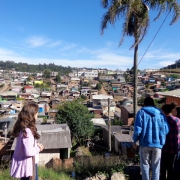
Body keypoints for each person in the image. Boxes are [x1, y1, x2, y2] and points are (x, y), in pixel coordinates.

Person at [133, 97, 169, 180]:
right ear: (153, 104)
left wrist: (135, 141)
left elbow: (138, 129)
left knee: (145, 166)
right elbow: (166, 129)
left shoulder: (141, 112)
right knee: (156, 167)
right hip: (158, 145)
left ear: (144, 104)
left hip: (144, 143)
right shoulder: (160, 114)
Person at [10, 103, 44, 180]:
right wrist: (39, 148)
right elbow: (28, 152)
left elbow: (25, 145)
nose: (38, 113)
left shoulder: (23, 129)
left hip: (25, 164)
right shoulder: (28, 131)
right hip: (29, 165)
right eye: (36, 111)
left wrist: (35, 145)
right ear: (32, 114)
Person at [160, 102, 180, 180]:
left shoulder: (162, 120)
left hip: (165, 147)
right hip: (175, 146)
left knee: (163, 167)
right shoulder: (178, 120)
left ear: (163, 111)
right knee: (171, 167)